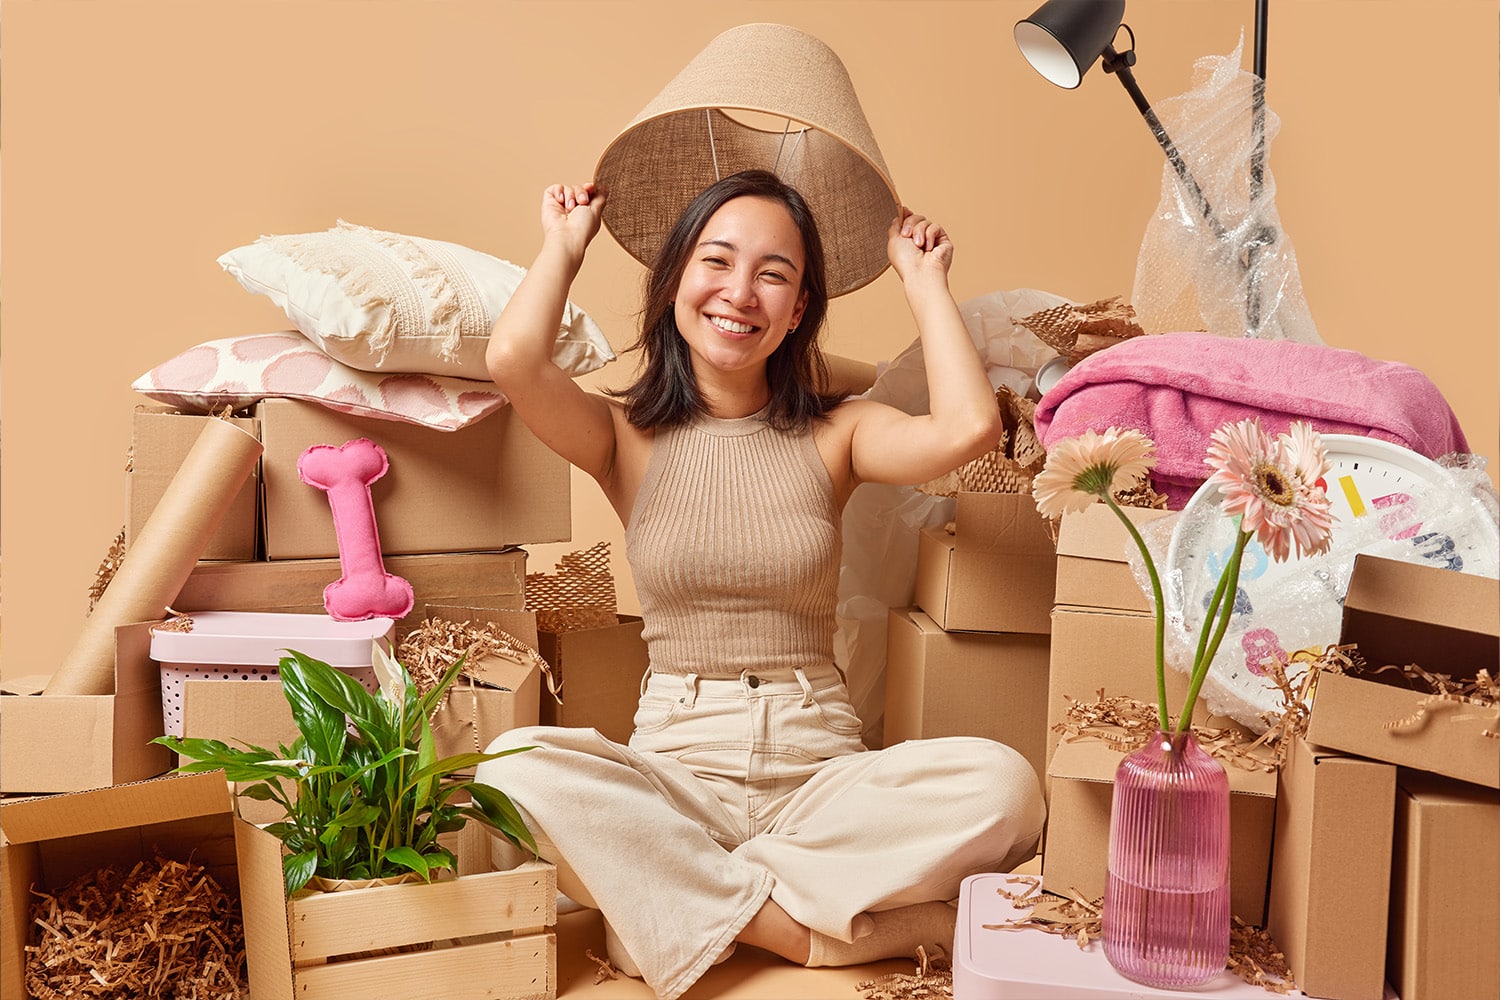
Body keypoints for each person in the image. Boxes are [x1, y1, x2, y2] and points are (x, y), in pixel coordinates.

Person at [479, 169, 1045, 1000]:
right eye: (716, 261)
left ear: (799, 308)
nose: (739, 292)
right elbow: (513, 359)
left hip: (818, 771)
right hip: (678, 764)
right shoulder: (620, 435)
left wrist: (923, 280)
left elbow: (967, 429)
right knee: (511, 766)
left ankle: (684, 904)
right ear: (675, 279)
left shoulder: (839, 433)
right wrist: (565, 246)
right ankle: (808, 933)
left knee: (1007, 788)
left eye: (773, 274)